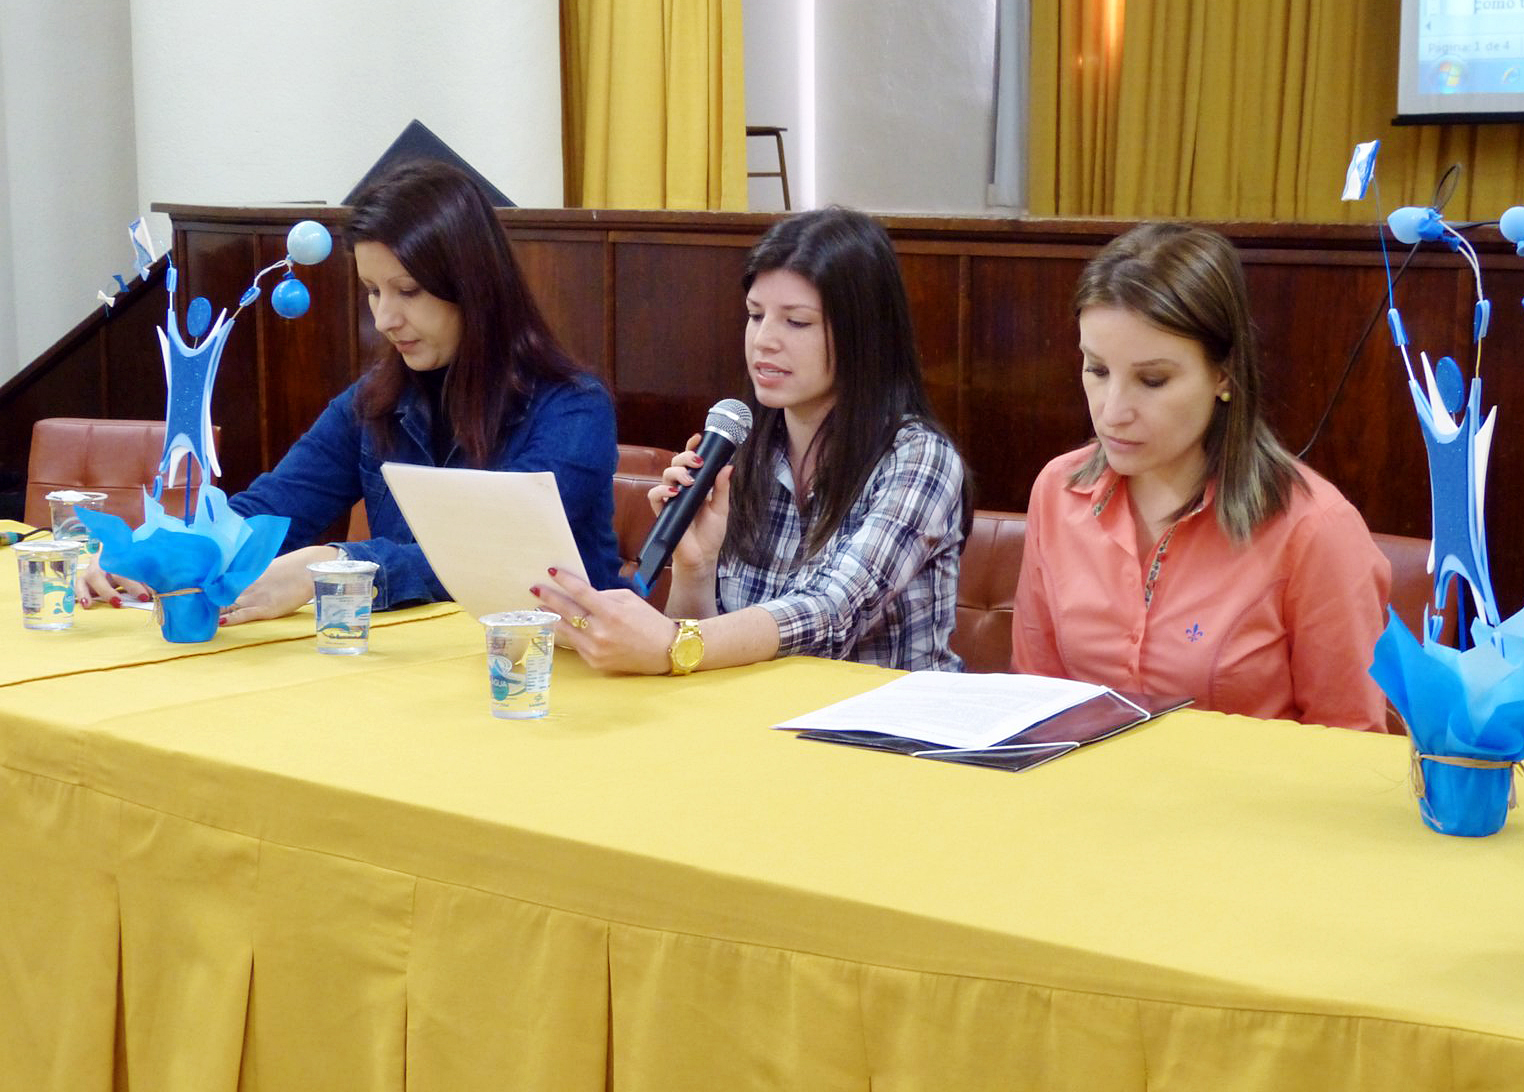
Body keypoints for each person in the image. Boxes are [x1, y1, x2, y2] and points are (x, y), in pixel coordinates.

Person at [80, 160, 622, 619]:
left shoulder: (572, 407)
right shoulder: (371, 403)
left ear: (474, 288)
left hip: (559, 673)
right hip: (425, 673)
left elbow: (494, 553)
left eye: (407, 291)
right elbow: (271, 508)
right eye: (371, 291)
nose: (385, 318)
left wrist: (335, 569)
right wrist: (149, 552)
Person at [535, 207, 967, 675]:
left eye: (796, 322)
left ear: (864, 334)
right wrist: (695, 570)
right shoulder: (739, 444)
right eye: (755, 315)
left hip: (885, 734)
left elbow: (832, 612)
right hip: (759, 725)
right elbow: (697, 654)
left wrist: (668, 642)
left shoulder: (918, 456)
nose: (764, 340)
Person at [1012, 222, 1392, 732]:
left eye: (1153, 380)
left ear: (1224, 374)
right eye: (1097, 370)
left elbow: (1349, 741)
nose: (1113, 411)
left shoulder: (1315, 529)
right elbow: (1036, 696)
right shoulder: (1058, 492)